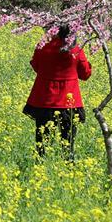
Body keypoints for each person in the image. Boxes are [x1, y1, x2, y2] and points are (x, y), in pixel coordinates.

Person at [23, 24, 92, 161]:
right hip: (69, 103)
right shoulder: (75, 49)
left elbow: (36, 66)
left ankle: (39, 170)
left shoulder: (42, 46)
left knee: (42, 143)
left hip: (44, 101)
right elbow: (85, 74)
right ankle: (68, 170)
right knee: (67, 144)